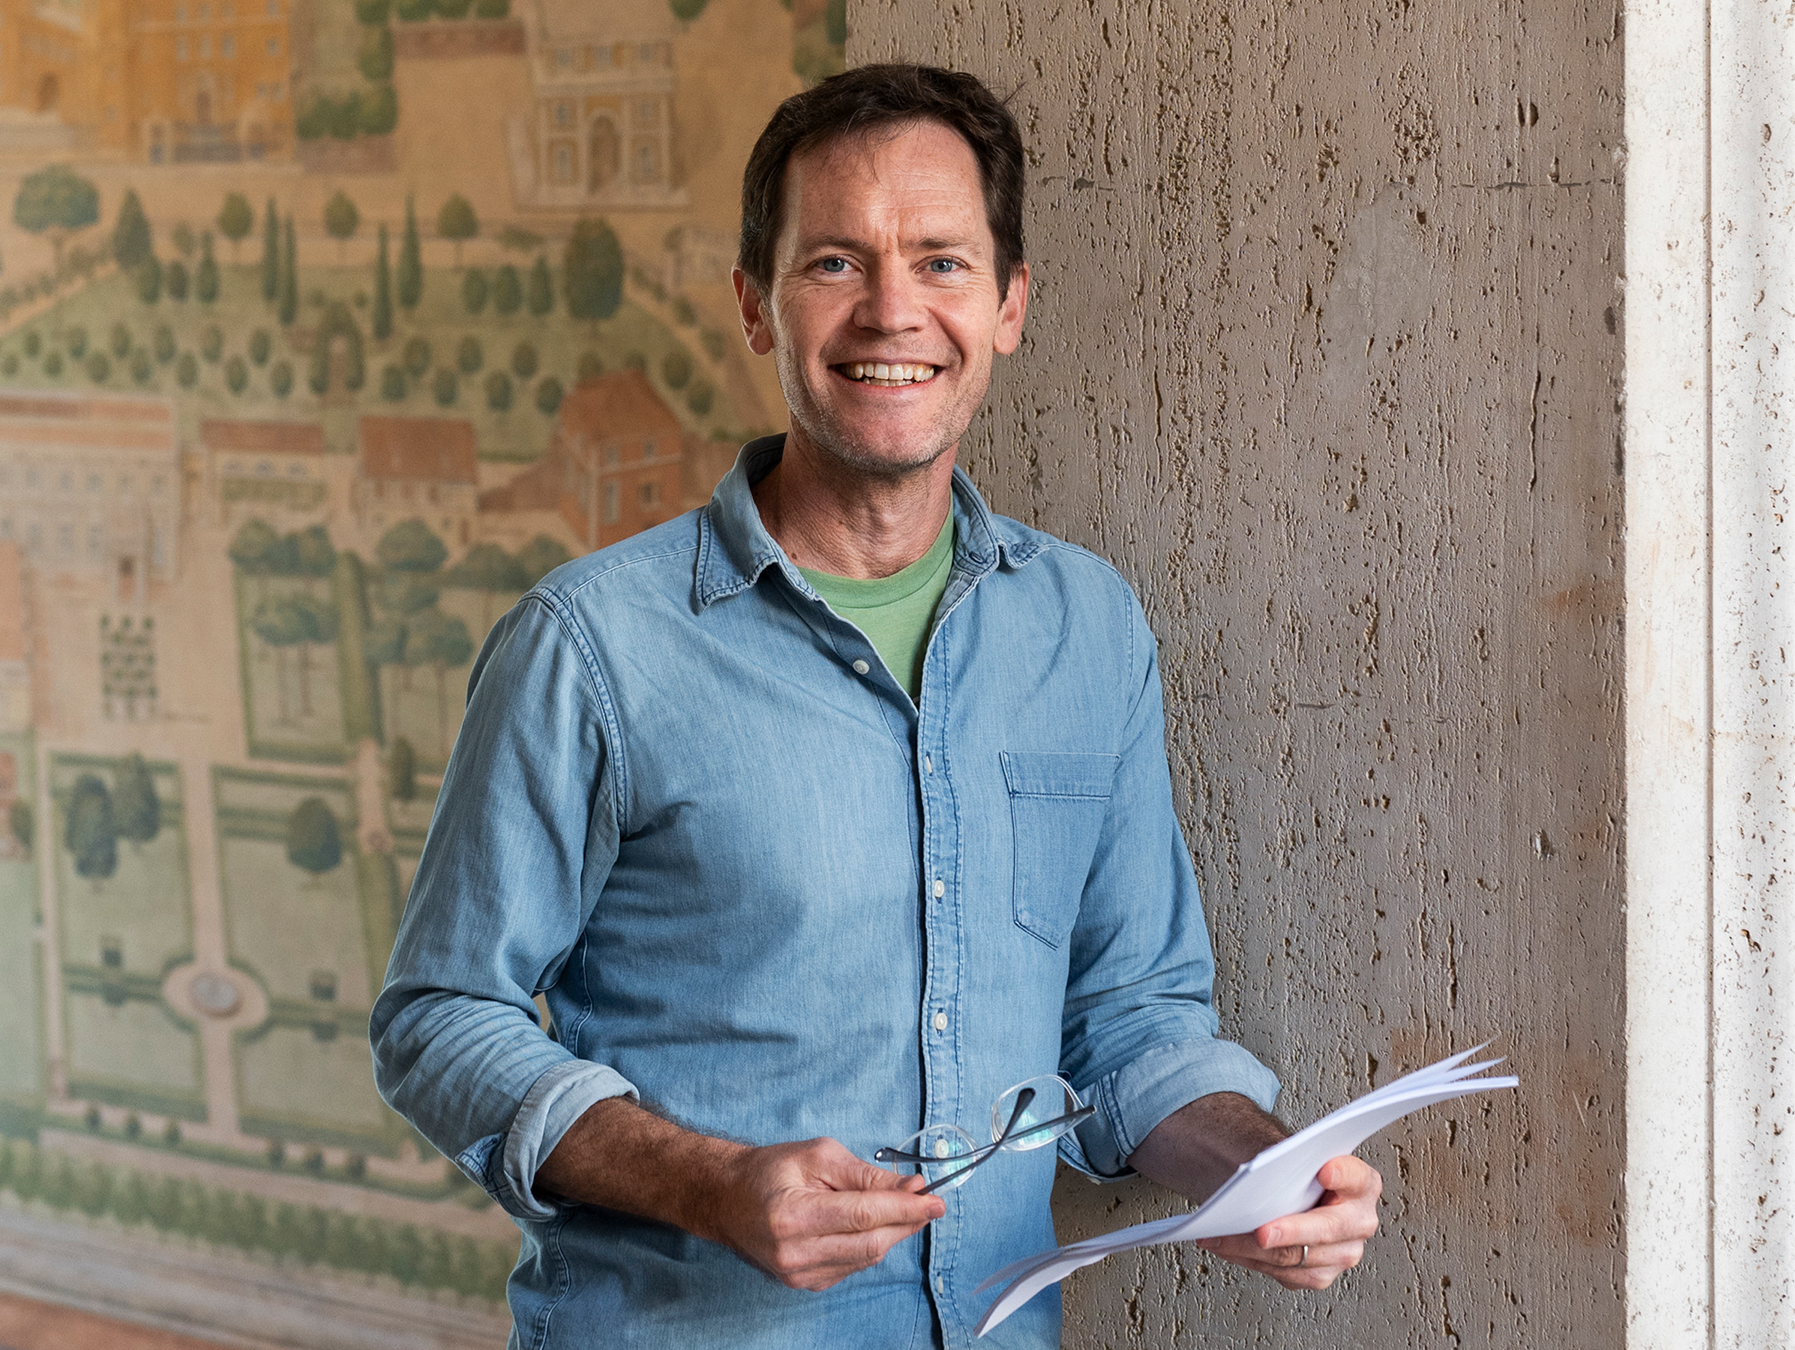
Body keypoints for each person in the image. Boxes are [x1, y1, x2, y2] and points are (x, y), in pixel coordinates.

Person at [370, 63, 1381, 1348]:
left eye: (944, 264)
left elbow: (1131, 1017)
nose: (893, 312)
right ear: (756, 305)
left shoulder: (1089, 630)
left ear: (1009, 305)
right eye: (836, 264)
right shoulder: (591, 646)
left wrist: (1259, 1171)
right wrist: (710, 1183)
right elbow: (438, 1019)